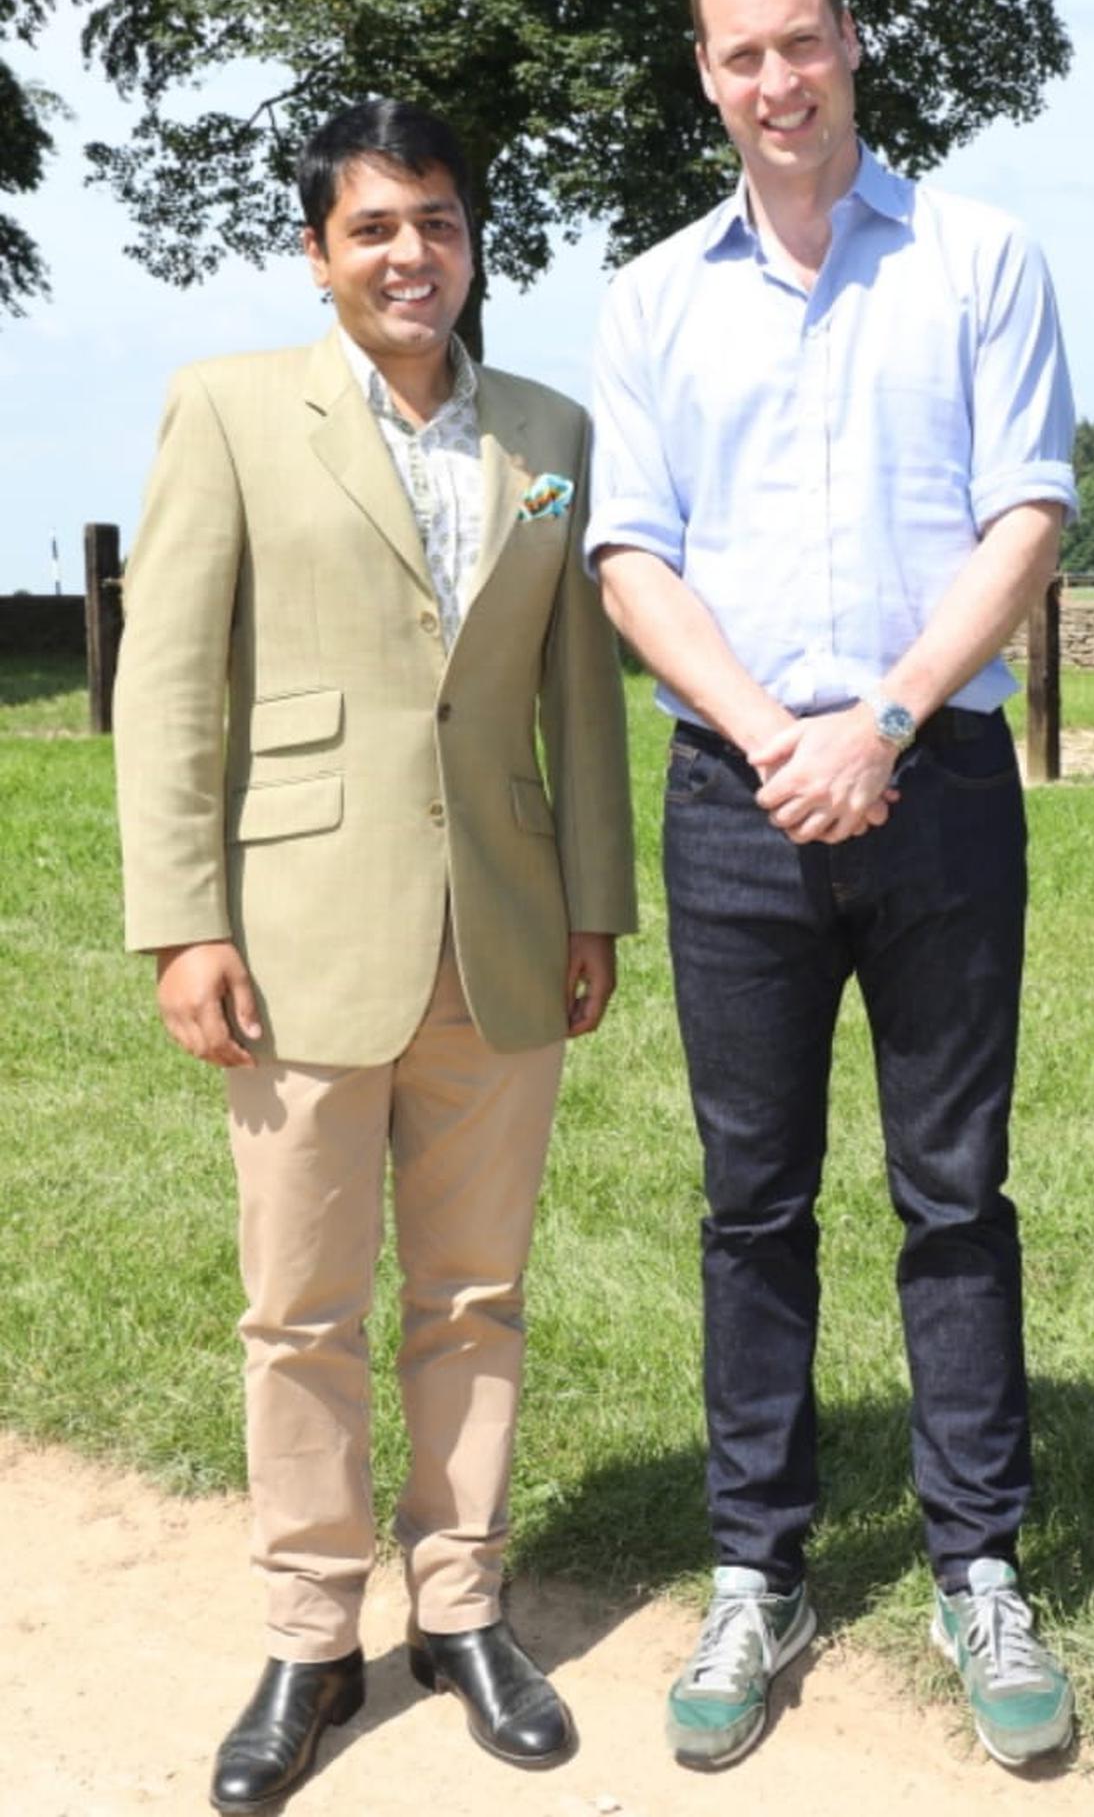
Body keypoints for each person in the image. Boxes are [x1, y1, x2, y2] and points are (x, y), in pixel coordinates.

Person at [585, 0, 1077, 1774]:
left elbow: (1030, 508)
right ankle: (756, 1568)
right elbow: (632, 551)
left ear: (852, 43)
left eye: (803, 43)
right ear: (703, 74)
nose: (777, 84)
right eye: (740, 58)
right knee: (751, 1206)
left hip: (934, 782)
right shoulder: (649, 298)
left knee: (954, 1194)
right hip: (735, 800)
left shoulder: (979, 260)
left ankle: (978, 1563)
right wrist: (777, 736)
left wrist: (876, 722)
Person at [114, 98, 637, 1814]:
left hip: (500, 934)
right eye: (374, 229)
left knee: (477, 1298)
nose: (412, 255)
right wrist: (184, 919)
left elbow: (578, 694)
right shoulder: (231, 412)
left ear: (472, 238)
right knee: (303, 1311)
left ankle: (463, 1606)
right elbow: (171, 682)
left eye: (439, 222)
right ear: (321, 251)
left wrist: (593, 907)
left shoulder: (551, 433)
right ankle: (310, 1632)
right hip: (296, 939)